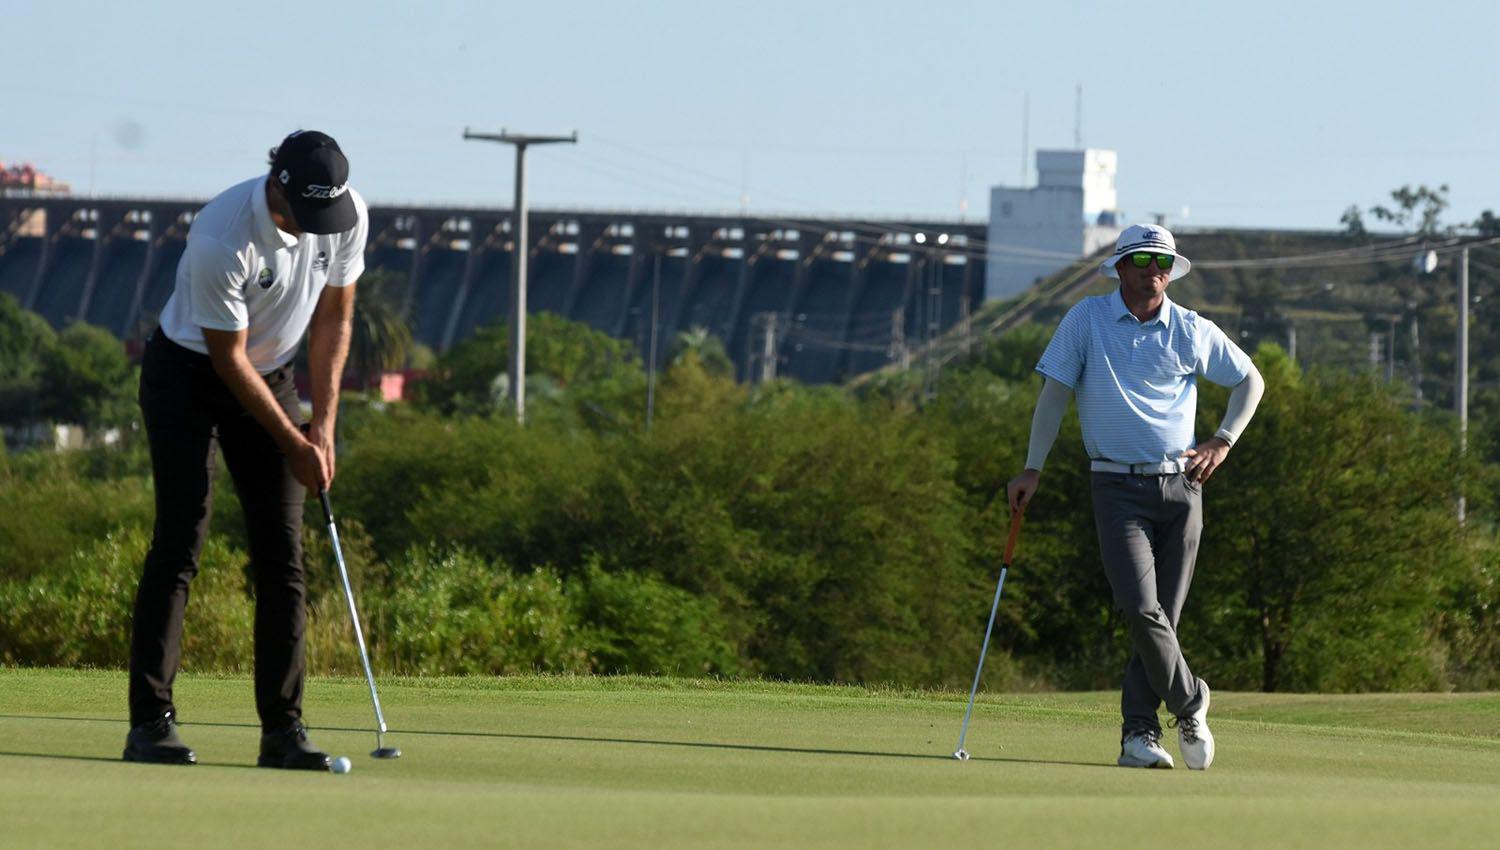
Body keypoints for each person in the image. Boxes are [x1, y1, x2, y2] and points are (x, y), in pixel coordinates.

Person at [123, 130, 368, 770]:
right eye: (306, 212)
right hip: (190, 376)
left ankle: (282, 733)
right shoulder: (221, 236)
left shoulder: (345, 215)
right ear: (277, 185)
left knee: (282, 554)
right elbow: (228, 360)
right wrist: (291, 442)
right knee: (181, 540)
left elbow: (336, 317)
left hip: (276, 375)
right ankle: (150, 725)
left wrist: (324, 426)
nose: (318, 228)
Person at [1006, 223, 1264, 770]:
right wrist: (1033, 467)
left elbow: (1250, 381)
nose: (1154, 271)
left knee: (1162, 621)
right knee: (1141, 608)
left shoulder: (1192, 329)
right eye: (1144, 260)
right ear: (1121, 266)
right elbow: (1054, 396)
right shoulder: (1087, 319)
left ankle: (1138, 737)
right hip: (1115, 485)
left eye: (1164, 262)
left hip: (1182, 486)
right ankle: (1191, 703)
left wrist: (1223, 440)